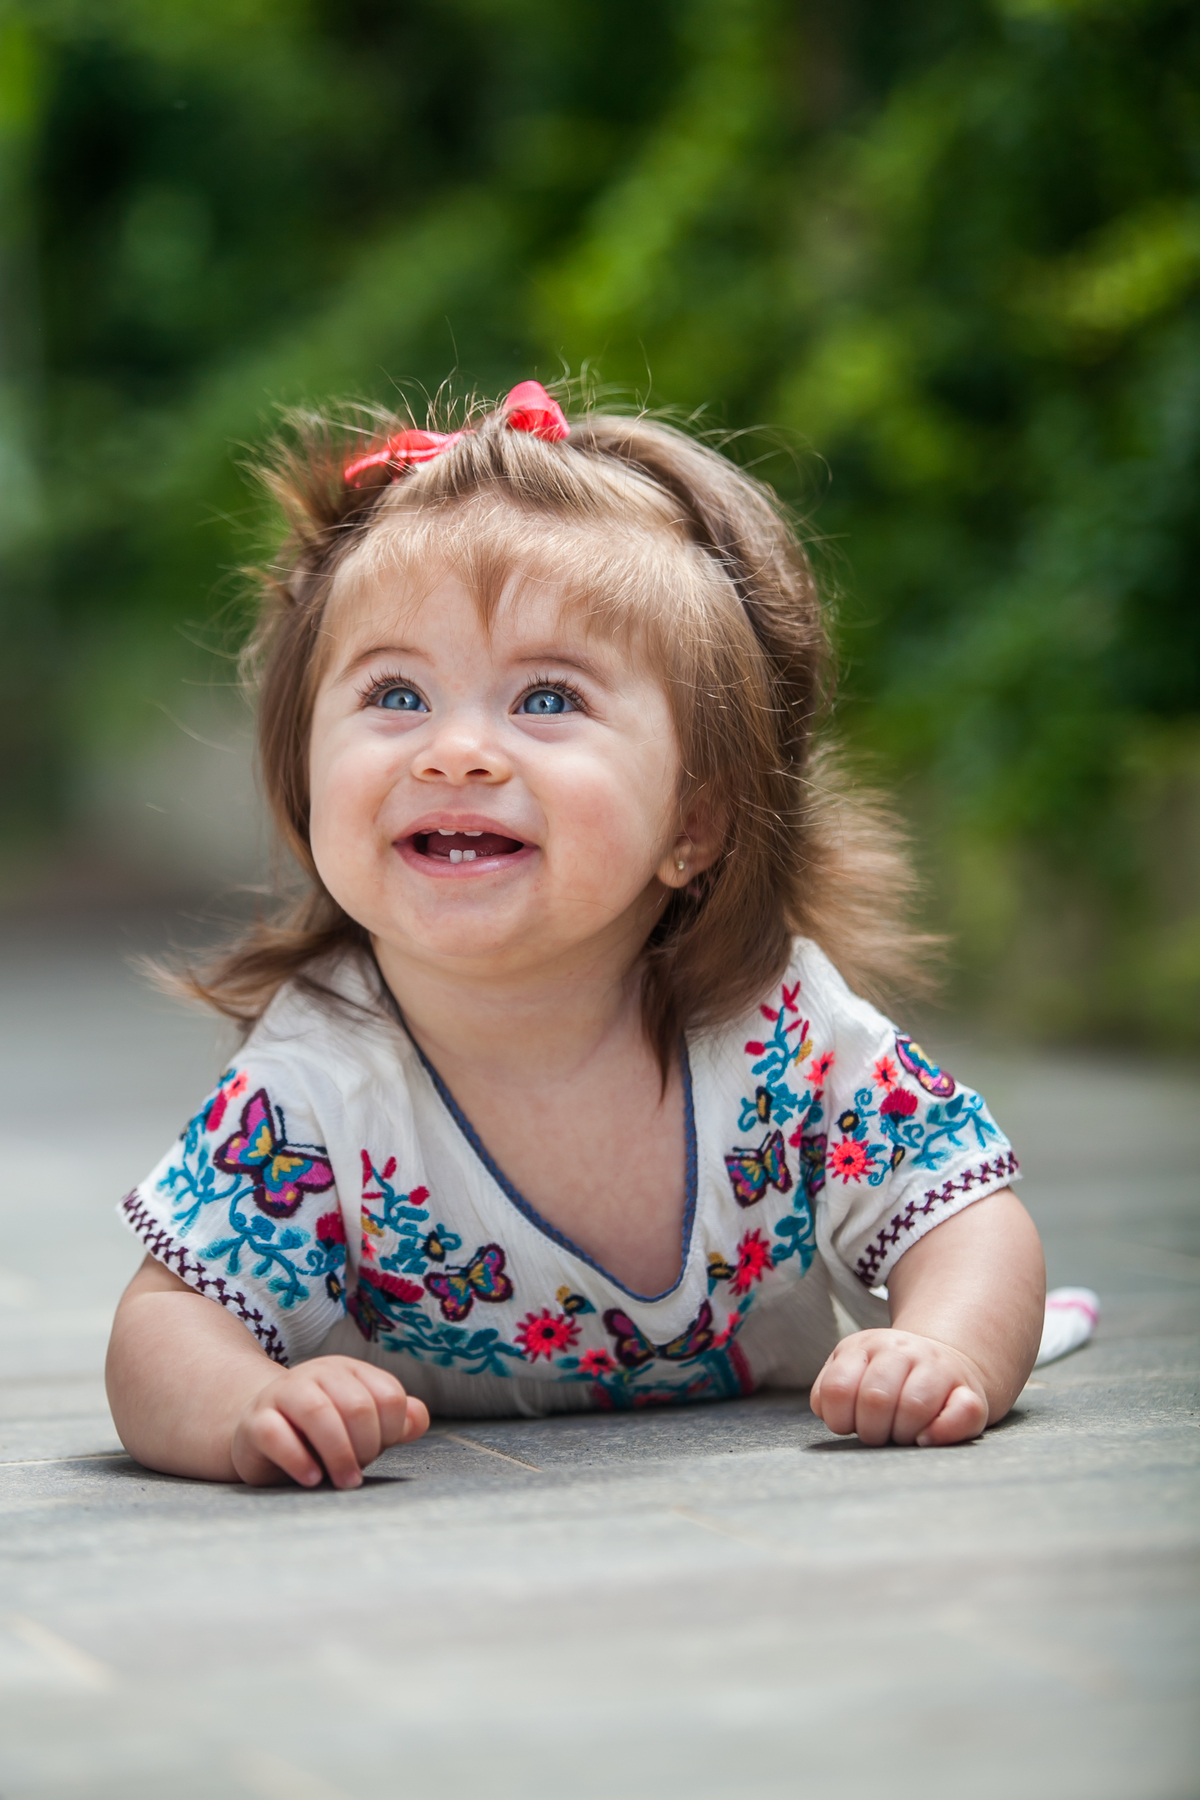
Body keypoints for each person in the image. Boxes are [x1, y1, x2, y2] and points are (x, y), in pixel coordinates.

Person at [105, 380, 1047, 1490]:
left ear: (693, 821)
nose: (455, 752)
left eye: (547, 701)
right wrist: (248, 1404)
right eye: (395, 694)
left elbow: (970, 1223)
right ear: (304, 783)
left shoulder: (778, 1031)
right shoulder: (319, 1081)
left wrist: (942, 1346)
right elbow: (158, 1335)